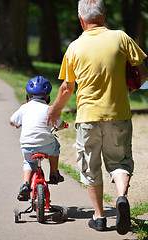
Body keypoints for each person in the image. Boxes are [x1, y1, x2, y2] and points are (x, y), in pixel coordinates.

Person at [46, 0, 148, 235]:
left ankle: (99, 217)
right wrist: (127, 91)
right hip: (119, 114)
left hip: (88, 117)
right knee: (120, 162)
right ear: (103, 16)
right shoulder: (121, 37)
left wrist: (55, 110)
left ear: (81, 19)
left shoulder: (74, 47)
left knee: (91, 168)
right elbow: (142, 74)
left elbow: (66, 89)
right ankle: (121, 196)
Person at [9, 76, 67, 201]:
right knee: (56, 146)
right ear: (48, 97)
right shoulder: (50, 110)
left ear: (28, 97)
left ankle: (25, 184)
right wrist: (64, 125)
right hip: (47, 146)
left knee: (29, 162)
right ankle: (54, 174)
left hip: (28, 146)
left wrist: (17, 124)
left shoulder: (24, 108)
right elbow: (60, 124)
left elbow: (11, 121)